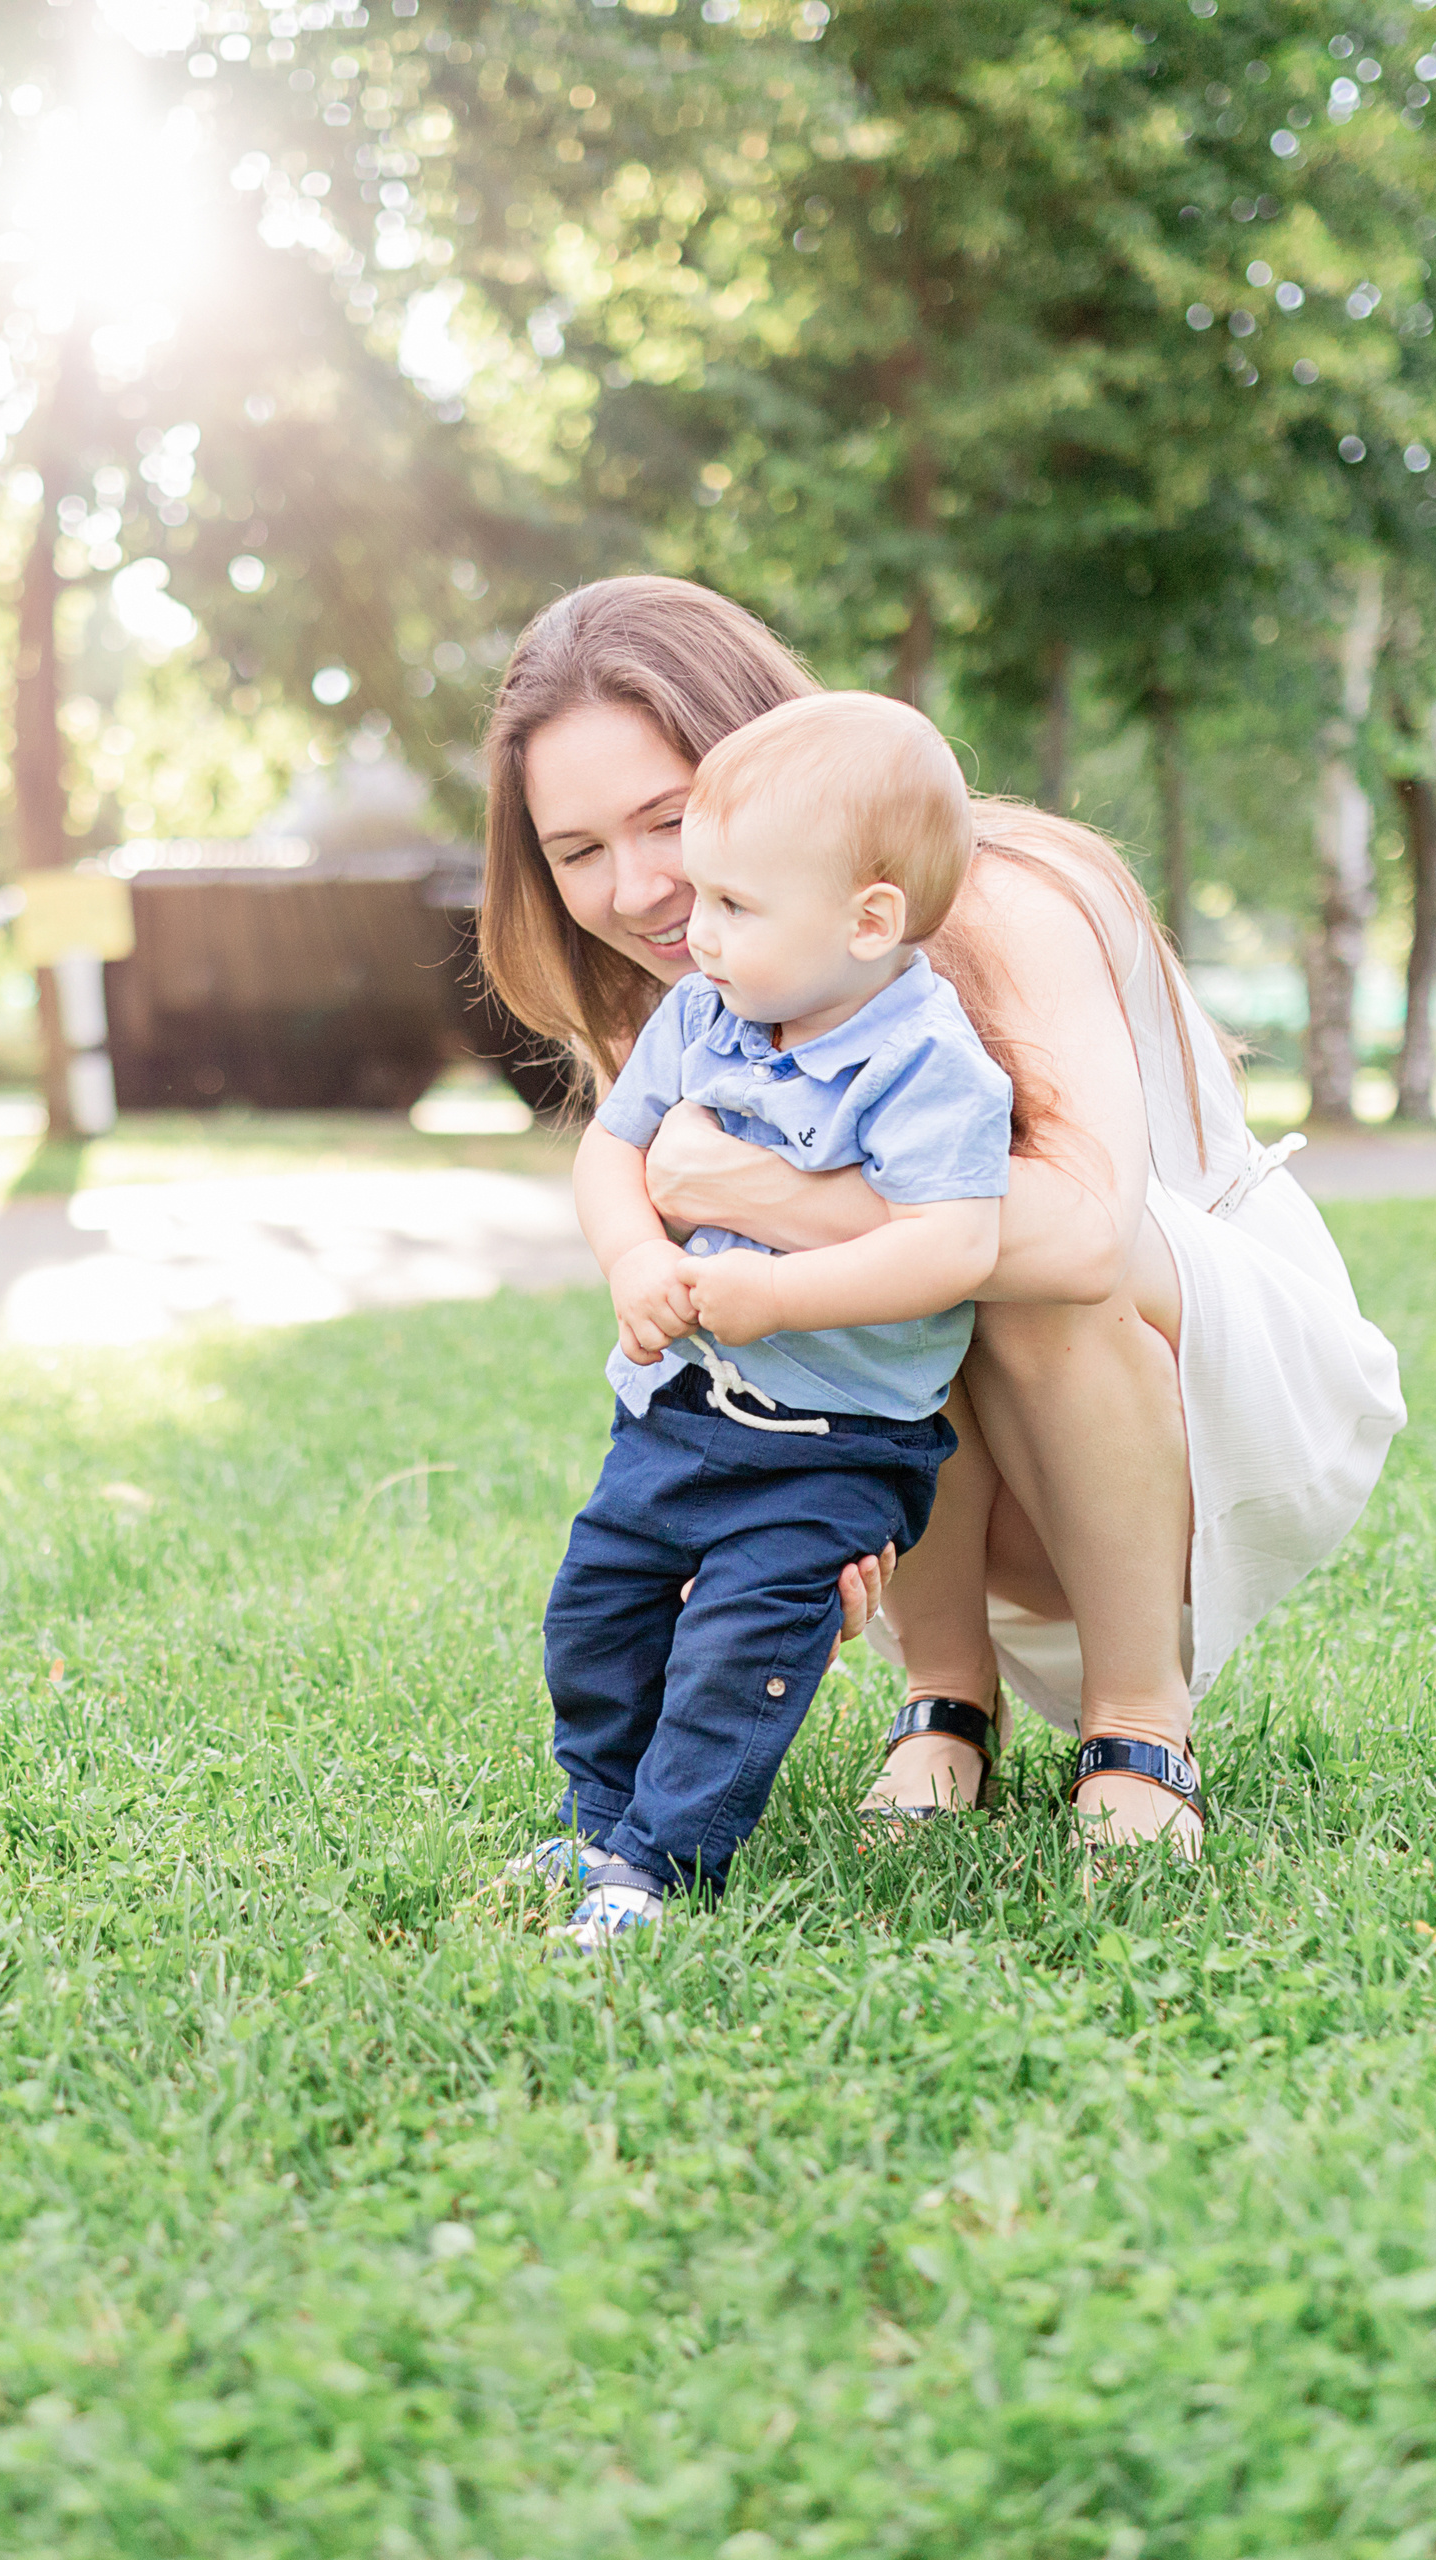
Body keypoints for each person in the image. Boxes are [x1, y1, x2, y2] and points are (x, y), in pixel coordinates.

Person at [480, 577, 1406, 1857]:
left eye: (668, 819)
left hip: (1214, 1381)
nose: (642, 889)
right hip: (982, 1449)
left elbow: (1085, 1235)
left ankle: (1141, 1723)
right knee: (882, 1294)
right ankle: (942, 1702)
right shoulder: (718, 973)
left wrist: (730, 1189)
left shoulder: (1003, 894)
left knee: (993, 1258)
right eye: (577, 851)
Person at [518, 691, 1013, 1947]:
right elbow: (610, 1152)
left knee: (738, 1650)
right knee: (597, 1614)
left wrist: (779, 1293)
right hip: (678, 1413)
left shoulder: (926, 1065)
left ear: (868, 920)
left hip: (832, 1444)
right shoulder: (702, 1013)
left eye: (735, 906)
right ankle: (603, 1819)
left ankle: (660, 1871)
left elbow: (955, 1244)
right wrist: (635, 1254)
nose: (700, 930)